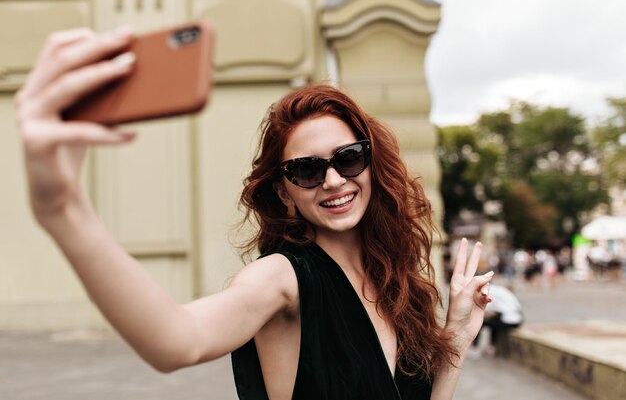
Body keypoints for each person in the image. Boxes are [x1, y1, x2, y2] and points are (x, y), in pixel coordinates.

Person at [15, 27, 494, 400]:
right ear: (285, 192)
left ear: (370, 164)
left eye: (347, 158)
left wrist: (456, 335)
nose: (332, 180)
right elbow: (177, 339)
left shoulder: (391, 281)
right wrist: (63, 210)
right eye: (306, 170)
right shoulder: (282, 280)